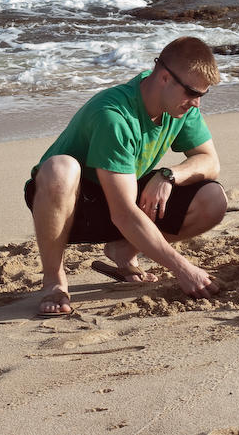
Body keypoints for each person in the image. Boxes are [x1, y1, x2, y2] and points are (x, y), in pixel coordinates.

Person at [24, 36, 227, 316]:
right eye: (193, 93)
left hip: (123, 195)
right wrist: (182, 269)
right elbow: (122, 213)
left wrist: (169, 175)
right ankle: (54, 280)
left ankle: (123, 250)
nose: (197, 103)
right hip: (72, 204)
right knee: (62, 169)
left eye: (202, 95)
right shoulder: (114, 115)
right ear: (165, 78)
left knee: (213, 198)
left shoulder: (180, 107)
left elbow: (210, 161)